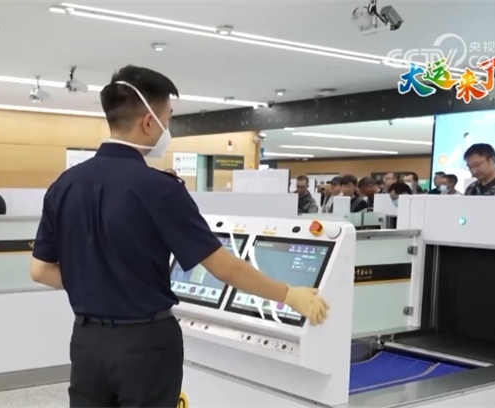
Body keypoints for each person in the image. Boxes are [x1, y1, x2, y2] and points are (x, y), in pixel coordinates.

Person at [28, 65, 328, 408]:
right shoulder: (159, 189)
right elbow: (224, 267)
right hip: (146, 344)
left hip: (86, 343)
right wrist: (288, 294)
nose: (166, 129)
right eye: (167, 119)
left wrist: (97, 282)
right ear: (148, 122)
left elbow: (40, 270)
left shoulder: (64, 185)